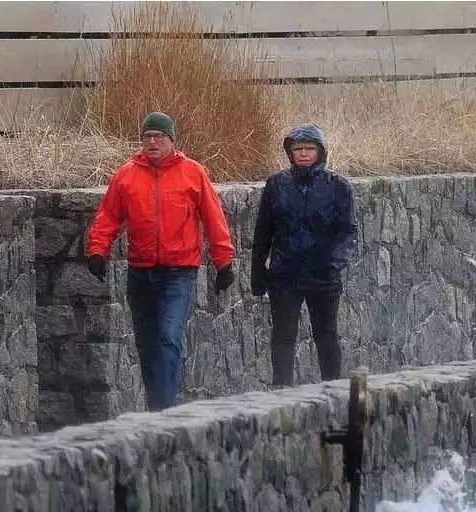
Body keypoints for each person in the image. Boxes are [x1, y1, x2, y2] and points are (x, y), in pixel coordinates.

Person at [86, 111, 236, 411]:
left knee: (169, 337)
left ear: (171, 140)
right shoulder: (126, 175)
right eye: (147, 137)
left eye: (158, 137)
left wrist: (224, 262)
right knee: (147, 343)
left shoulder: (193, 173)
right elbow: (108, 217)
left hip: (179, 271)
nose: (152, 142)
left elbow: (213, 217)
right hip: (140, 271)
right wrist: (98, 251)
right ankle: (157, 407)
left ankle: (165, 410)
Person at [251, 124, 357, 387]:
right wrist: (258, 272)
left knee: (326, 336)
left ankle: (332, 389)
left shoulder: (339, 187)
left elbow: (348, 232)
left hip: (323, 275)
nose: (303, 154)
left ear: (321, 152)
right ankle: (281, 390)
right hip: (285, 274)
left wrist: (334, 264)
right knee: (283, 336)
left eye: (309, 148)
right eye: (298, 149)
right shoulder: (277, 185)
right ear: (290, 153)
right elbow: (263, 231)